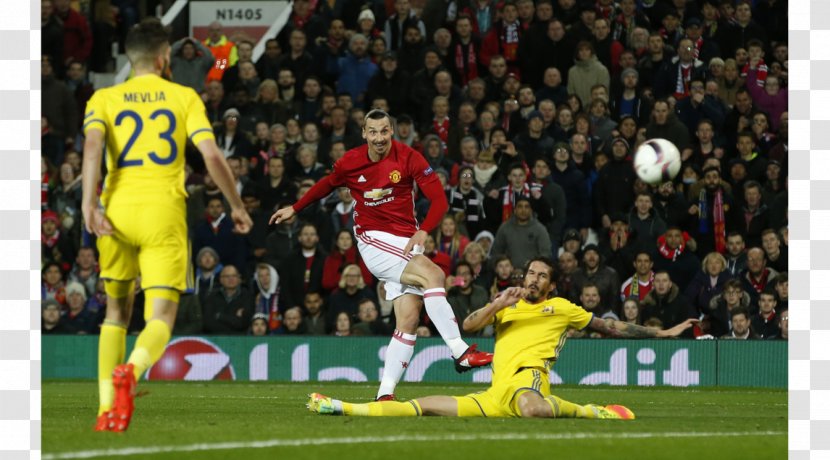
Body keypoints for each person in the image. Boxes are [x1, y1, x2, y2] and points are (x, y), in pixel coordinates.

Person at [81, 19, 252, 433]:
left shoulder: (103, 97)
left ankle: (107, 410)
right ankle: (133, 371)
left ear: (129, 57)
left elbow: (92, 147)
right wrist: (236, 205)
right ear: (163, 58)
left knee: (116, 313)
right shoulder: (183, 96)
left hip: (115, 210)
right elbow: (211, 156)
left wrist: (88, 203)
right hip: (163, 211)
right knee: (161, 314)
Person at [270, 109, 492, 401]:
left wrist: (424, 230)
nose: (378, 138)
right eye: (372, 132)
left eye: (384, 131)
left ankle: (384, 394)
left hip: (406, 240)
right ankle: (460, 351)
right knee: (435, 274)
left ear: (392, 132)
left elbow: (438, 199)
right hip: (373, 239)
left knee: (409, 317)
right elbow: (327, 184)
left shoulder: (409, 157)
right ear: (364, 133)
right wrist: (295, 208)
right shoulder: (350, 162)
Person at [307, 257, 696, 419]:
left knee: (534, 409)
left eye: (542, 276)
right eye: (531, 274)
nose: (534, 279)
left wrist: (662, 332)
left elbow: (610, 326)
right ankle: (342, 407)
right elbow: (470, 326)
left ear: (551, 283)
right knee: (421, 406)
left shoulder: (561, 307)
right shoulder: (507, 303)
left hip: (530, 379)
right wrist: (496, 304)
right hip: (494, 393)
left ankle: (594, 411)